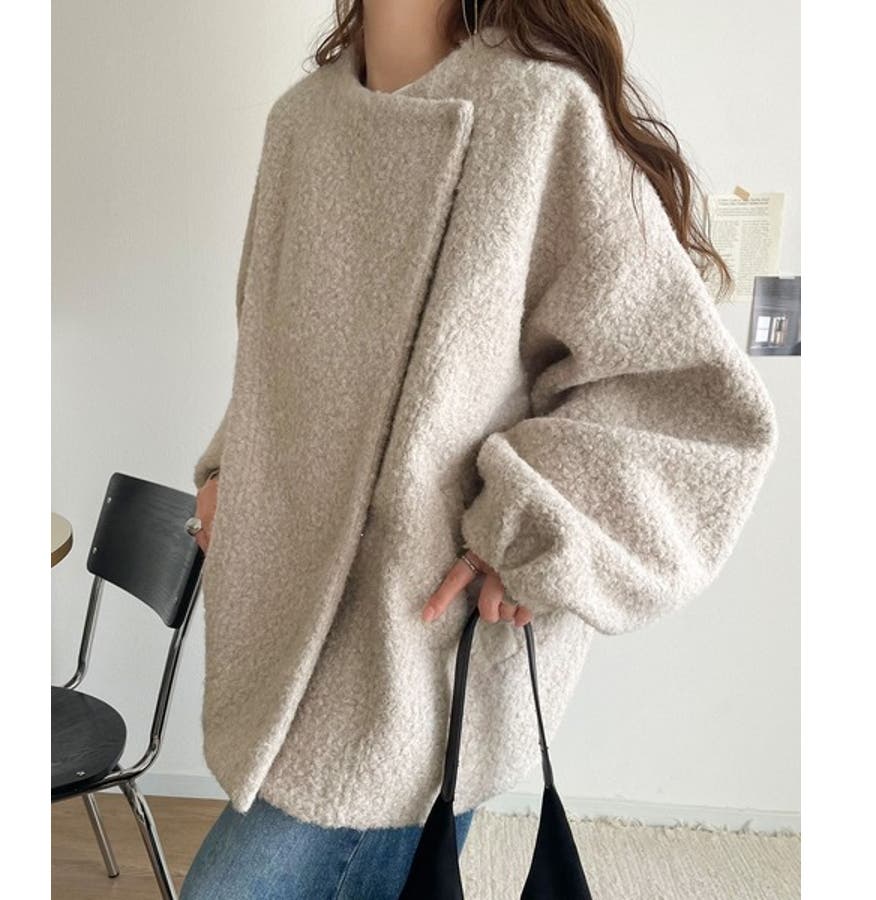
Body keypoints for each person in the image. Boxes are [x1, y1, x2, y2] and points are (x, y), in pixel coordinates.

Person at [181, 1, 779, 896]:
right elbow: (272, 350)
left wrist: (532, 529)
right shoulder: (299, 122)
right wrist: (232, 466)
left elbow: (683, 400)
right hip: (282, 600)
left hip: (418, 640)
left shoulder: (539, 111)